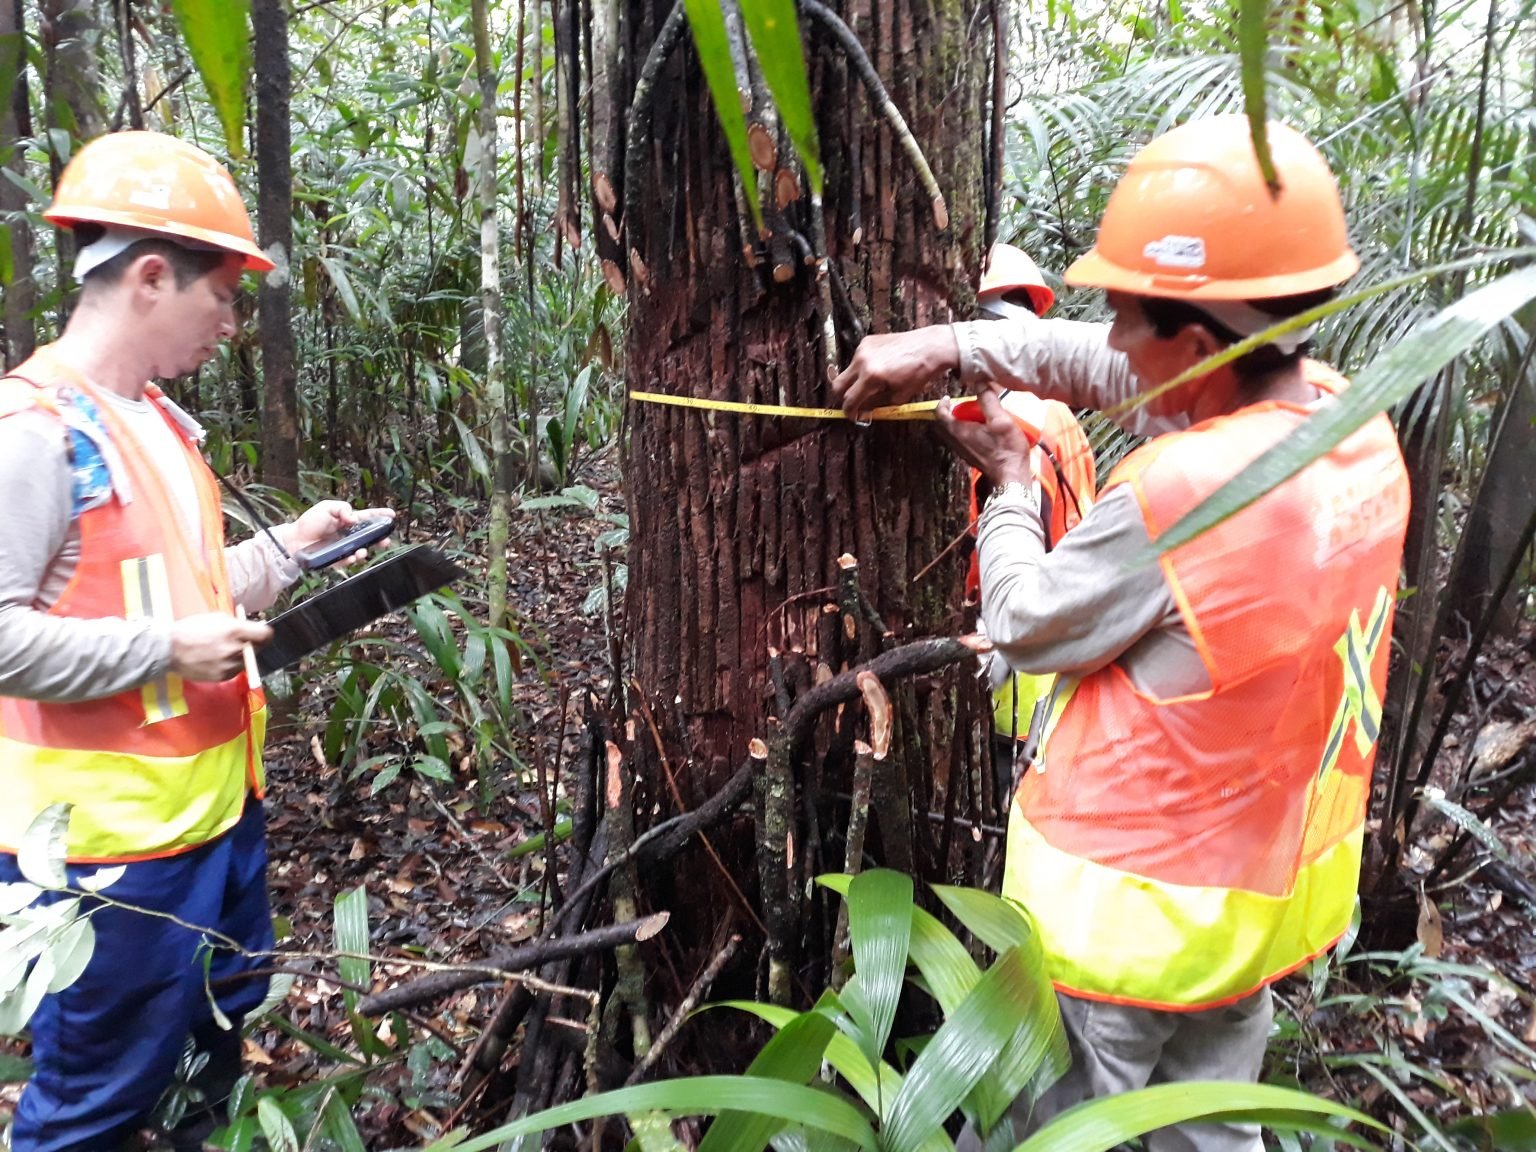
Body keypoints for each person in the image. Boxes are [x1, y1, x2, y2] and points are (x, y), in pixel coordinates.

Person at [834, 116, 1410, 1150]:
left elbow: (1023, 623)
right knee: (1207, 1133)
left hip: (1119, 926)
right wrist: (953, 346)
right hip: (1247, 912)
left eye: (1124, 319)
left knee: (1032, 1133)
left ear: (1193, 347)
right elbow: (1114, 374)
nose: (1108, 344)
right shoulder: (1346, 425)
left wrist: (1010, 485)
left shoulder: (1188, 494)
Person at [0, 130, 391, 1151]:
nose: (230, 322)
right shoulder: (33, 432)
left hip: (217, 826)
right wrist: (168, 650)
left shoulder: (161, 424)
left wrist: (295, 551)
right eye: (220, 297)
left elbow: (195, 592)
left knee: (205, 1055)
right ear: (148, 277)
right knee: (93, 1099)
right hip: (103, 855)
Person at [964, 244, 1098, 800]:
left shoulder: (1016, 421)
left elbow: (1017, 543)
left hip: (1007, 664)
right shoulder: (1059, 417)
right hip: (1046, 662)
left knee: (998, 809)